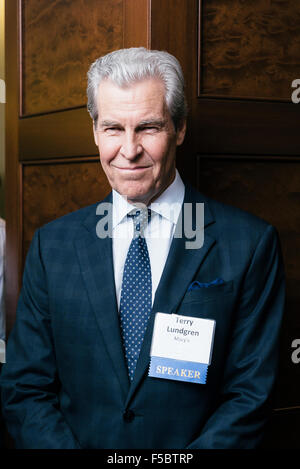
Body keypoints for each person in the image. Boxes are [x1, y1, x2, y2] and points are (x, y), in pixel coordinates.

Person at [0, 48, 285, 449]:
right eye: (114, 128)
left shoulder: (250, 244)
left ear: (180, 128)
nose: (129, 150)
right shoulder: (53, 246)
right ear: (95, 130)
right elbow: (25, 388)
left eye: (148, 128)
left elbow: (251, 395)